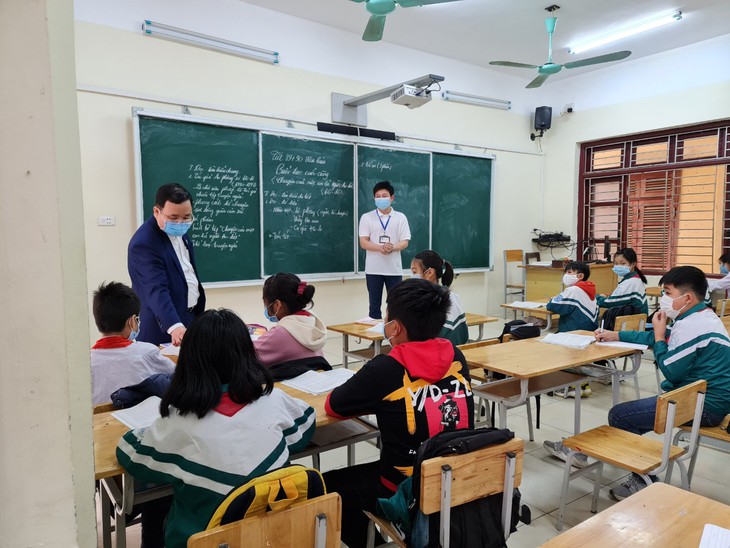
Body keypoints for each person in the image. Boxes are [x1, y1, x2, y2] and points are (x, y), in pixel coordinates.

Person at [116, 309, 316, 548]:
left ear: (189, 361)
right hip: (274, 537)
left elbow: (130, 454)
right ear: (247, 355)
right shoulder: (275, 400)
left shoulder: (178, 422)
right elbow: (307, 424)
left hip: (204, 540)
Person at [545, 266, 730, 498]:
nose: (663, 298)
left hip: (704, 406)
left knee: (621, 416)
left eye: (668, 293)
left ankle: (642, 479)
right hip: (702, 398)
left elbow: (671, 371)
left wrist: (660, 336)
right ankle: (584, 452)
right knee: (629, 417)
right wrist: (616, 335)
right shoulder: (700, 316)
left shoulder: (693, 325)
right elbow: (657, 337)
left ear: (688, 298)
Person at [322, 279, 474, 548]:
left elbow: (333, 405)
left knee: (330, 486)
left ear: (395, 327)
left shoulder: (384, 369)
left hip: (404, 489)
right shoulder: (456, 356)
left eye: (386, 315)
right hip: (454, 476)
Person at [128, 183, 206, 346]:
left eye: (186, 217)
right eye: (173, 218)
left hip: (190, 317)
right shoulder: (144, 243)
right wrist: (175, 326)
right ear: (157, 212)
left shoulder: (181, 233)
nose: (180, 223)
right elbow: (155, 289)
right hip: (163, 328)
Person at [90, 281, 175, 406]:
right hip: (139, 417)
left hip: (98, 418)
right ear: (132, 322)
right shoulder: (147, 353)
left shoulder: (87, 361)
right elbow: (177, 377)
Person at [359, 181, 411, 320]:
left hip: (394, 270)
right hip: (373, 270)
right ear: (374, 198)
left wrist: (392, 248)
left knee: (395, 306)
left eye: (384, 196)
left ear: (391, 198)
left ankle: (394, 333)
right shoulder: (367, 217)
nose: (381, 199)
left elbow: (405, 241)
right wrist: (380, 248)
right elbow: (363, 242)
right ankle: (375, 334)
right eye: (377, 196)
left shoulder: (400, 217)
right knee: (374, 308)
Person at [546, 261, 598, 398]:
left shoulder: (573, 290)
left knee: (549, 346)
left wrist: (551, 301)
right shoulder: (590, 289)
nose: (566, 275)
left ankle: (570, 387)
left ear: (580, 276)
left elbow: (553, 306)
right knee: (577, 358)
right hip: (587, 333)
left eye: (569, 272)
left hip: (573, 332)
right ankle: (583, 385)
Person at [254, 272, 327, 367]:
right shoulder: (313, 323)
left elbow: (245, 355)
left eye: (266, 303)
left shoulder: (280, 333)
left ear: (277, 305)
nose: (266, 308)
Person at [411, 249, 468, 345]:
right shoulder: (453, 295)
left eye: (414, 272)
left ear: (430, 272)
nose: (412, 276)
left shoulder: (429, 301)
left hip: (442, 351)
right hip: (459, 350)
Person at [596, 247, 648, 315]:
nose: (618, 266)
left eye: (623, 263)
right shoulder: (635, 278)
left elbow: (608, 303)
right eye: (616, 263)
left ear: (633, 264)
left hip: (632, 320)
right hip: (637, 318)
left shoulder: (630, 282)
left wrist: (595, 298)